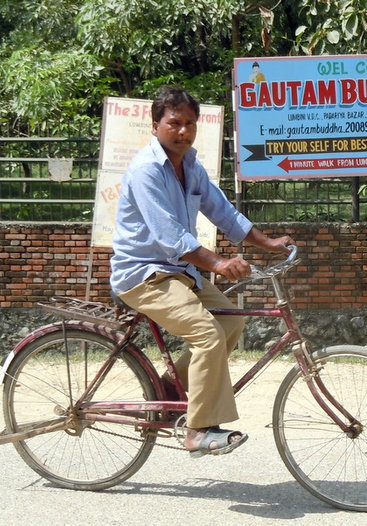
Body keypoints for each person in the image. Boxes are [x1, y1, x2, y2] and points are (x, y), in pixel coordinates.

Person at [109, 86, 294, 457]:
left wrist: (268, 243)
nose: (183, 131)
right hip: (144, 274)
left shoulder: (190, 165)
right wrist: (220, 264)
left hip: (178, 274)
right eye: (174, 123)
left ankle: (171, 390)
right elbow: (170, 237)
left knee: (231, 321)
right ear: (156, 125)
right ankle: (197, 431)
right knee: (207, 334)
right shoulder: (147, 170)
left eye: (190, 123)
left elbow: (223, 212)